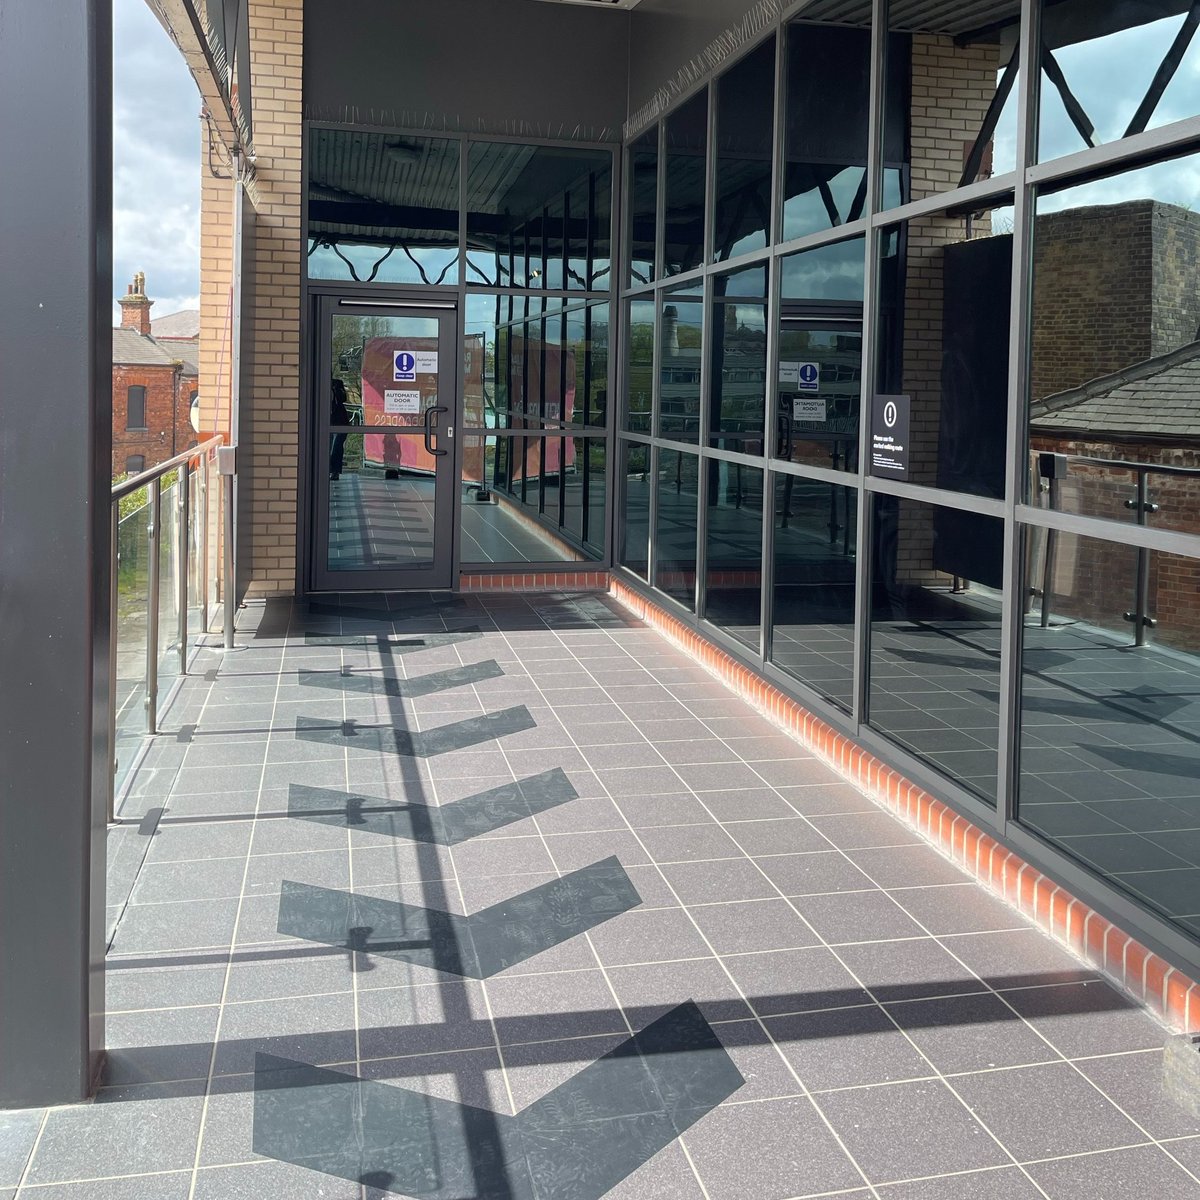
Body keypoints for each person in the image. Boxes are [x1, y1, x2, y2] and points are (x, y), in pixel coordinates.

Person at [329, 378, 351, 480]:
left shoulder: (336, 386)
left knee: (335, 448)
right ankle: (332, 471)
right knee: (330, 448)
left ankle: (335, 471)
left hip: (339, 423)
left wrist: (335, 389)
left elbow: (342, 398)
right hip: (330, 424)